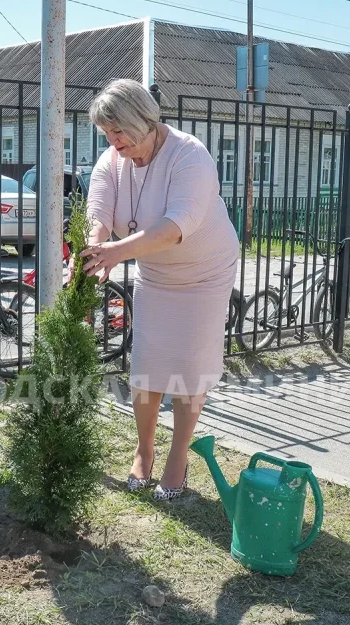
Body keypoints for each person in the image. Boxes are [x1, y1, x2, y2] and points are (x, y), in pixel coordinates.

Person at [80, 79, 240, 500]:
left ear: (145, 121)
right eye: (107, 134)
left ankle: (178, 457)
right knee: (147, 367)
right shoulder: (111, 161)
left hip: (205, 274)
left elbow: (174, 227)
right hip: (156, 276)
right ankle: (144, 450)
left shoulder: (190, 156)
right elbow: (98, 211)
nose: (114, 142)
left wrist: (116, 252)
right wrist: (97, 248)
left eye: (120, 132)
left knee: (190, 369)